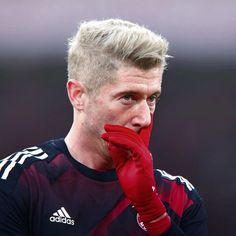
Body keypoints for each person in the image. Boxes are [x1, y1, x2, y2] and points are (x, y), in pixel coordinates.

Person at [0, 19, 207, 236]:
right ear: (78, 95)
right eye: (127, 97)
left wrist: (152, 213)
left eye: (152, 98)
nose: (145, 118)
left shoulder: (179, 197)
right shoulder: (17, 181)